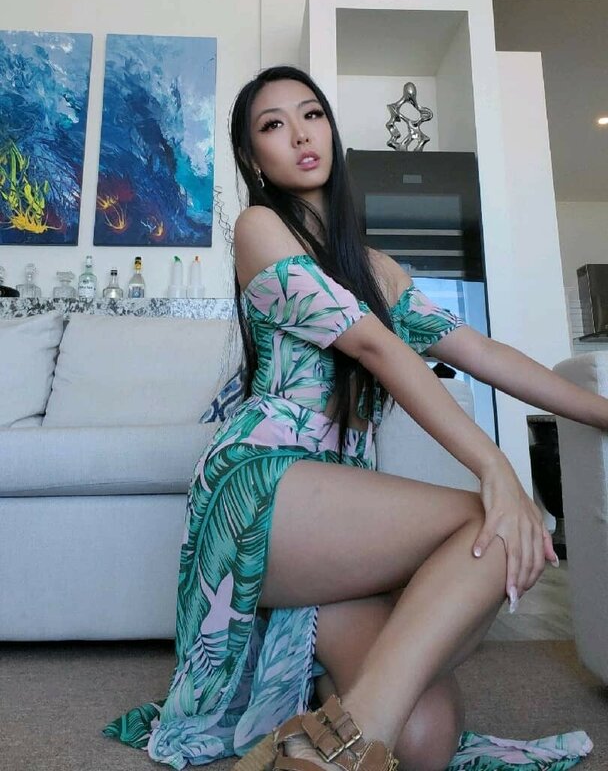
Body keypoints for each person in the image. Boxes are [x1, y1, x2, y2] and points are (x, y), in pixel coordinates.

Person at [105, 66, 602, 771]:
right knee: (494, 517)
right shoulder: (260, 229)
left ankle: (333, 725)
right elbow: (373, 345)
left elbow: (484, 353)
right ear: (253, 156)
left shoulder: (378, 270)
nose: (300, 134)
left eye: (312, 115)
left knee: (426, 741)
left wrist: (604, 412)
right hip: (263, 490)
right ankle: (341, 741)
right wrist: (495, 468)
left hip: (342, 524)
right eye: (273, 125)